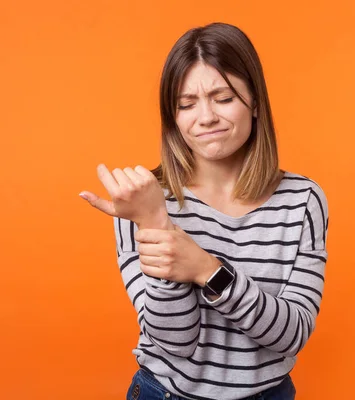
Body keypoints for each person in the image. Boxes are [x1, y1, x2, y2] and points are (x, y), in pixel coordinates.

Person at [79, 22, 328, 400]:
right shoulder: (143, 200)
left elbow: (290, 335)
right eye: (186, 104)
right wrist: (156, 224)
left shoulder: (302, 199)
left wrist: (207, 270)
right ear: (173, 117)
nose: (206, 117)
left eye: (223, 98)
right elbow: (174, 342)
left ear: (255, 101)